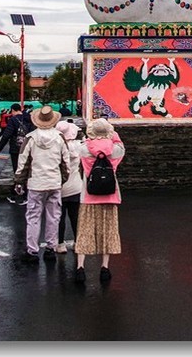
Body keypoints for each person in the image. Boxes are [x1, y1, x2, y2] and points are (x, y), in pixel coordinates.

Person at [71, 117, 125, 284]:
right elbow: (120, 144)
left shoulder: (84, 148)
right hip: (110, 196)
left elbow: (78, 151)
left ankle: (80, 267)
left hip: (89, 196)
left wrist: (90, 138)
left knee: (84, 231)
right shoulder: (115, 150)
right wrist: (112, 134)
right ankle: (105, 267)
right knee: (108, 231)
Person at [15, 106, 69, 263]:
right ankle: (51, 248)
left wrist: (19, 181)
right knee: (53, 216)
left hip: (36, 183)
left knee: (33, 216)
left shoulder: (30, 138)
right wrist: (61, 179)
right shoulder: (60, 137)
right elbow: (66, 163)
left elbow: (23, 162)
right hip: (54, 182)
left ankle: (32, 250)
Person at [56, 118, 84, 253]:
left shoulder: (56, 147)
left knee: (59, 218)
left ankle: (60, 244)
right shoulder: (78, 146)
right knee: (75, 217)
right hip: (76, 186)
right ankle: (77, 241)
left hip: (59, 187)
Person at [0, 103, 31, 198]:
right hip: (28, 147)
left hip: (16, 148)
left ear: (13, 110)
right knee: (27, 167)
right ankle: (28, 188)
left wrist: (0, 147)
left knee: (17, 168)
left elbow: (7, 134)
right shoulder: (29, 118)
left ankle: (19, 189)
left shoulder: (13, 120)